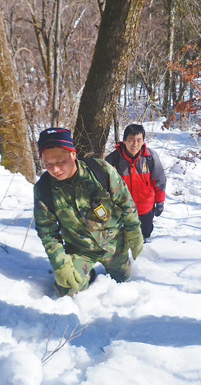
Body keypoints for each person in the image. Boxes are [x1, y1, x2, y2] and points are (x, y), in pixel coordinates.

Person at [33, 128, 143, 297]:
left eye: (60, 162)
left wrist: (134, 232)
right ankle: (87, 274)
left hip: (114, 244)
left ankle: (118, 267)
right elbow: (47, 232)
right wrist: (61, 265)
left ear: (72, 155)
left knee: (123, 280)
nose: (55, 170)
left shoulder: (100, 170)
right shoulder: (44, 189)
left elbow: (125, 203)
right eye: (48, 164)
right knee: (68, 289)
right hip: (80, 249)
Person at [105, 124, 166, 241]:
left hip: (146, 208)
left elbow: (160, 181)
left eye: (139, 140)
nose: (135, 144)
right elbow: (104, 186)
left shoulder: (150, 157)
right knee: (124, 242)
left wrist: (160, 202)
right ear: (124, 140)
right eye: (131, 140)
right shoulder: (113, 159)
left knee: (145, 238)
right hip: (122, 210)